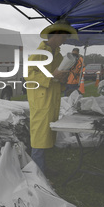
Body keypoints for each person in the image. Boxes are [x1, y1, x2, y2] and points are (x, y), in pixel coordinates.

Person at [25, 20, 78, 174]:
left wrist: (62, 78)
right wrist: (52, 76)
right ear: (55, 35)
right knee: (39, 137)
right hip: (41, 102)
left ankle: (41, 168)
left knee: (46, 135)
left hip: (51, 100)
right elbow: (28, 75)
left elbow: (58, 77)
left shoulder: (58, 55)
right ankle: (37, 173)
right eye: (64, 36)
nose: (65, 39)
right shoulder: (40, 53)